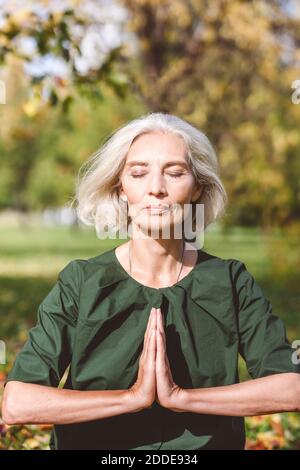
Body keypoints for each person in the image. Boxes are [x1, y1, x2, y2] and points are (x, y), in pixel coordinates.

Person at [2, 112, 300, 450]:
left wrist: (181, 398)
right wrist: (132, 398)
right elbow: (18, 401)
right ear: (121, 187)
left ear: (197, 186)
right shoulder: (82, 282)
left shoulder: (230, 281)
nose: (156, 189)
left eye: (174, 173)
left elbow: (291, 387)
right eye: (139, 173)